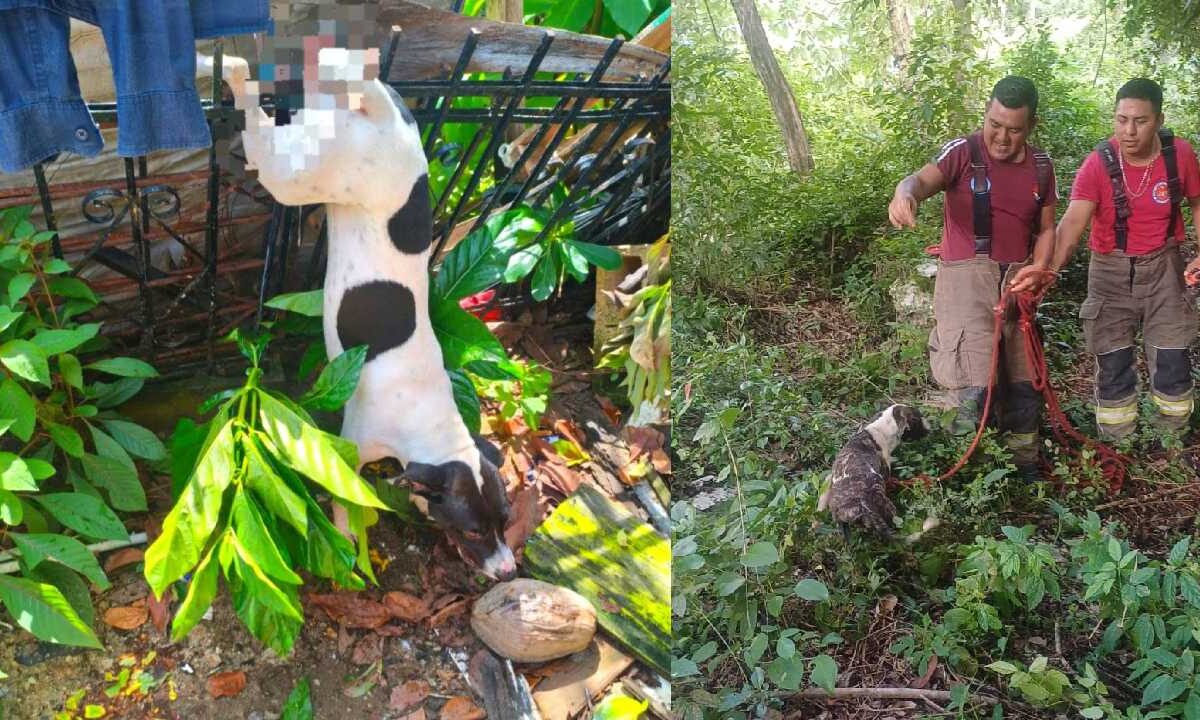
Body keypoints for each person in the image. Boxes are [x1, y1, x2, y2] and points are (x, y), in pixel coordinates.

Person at [1009, 78, 1200, 440]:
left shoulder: (1180, 154)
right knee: (1113, 362)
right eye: (1121, 119)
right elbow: (1072, 224)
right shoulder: (1098, 164)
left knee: (1173, 357)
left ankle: (1173, 442)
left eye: (1140, 121)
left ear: (1158, 119)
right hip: (1110, 271)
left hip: (1166, 267)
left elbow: (1196, 201)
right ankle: (1119, 445)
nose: (1128, 131)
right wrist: (1046, 270)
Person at [888, 75, 1057, 477]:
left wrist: (1038, 268)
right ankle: (969, 472)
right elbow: (920, 180)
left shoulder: (1042, 166)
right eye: (994, 124)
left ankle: (1024, 466)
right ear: (986, 113)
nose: (1001, 137)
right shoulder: (962, 151)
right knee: (972, 383)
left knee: (1022, 378)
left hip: (1017, 284)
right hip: (966, 282)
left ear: (1030, 126)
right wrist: (904, 194)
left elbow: (1048, 228)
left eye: (1014, 129)